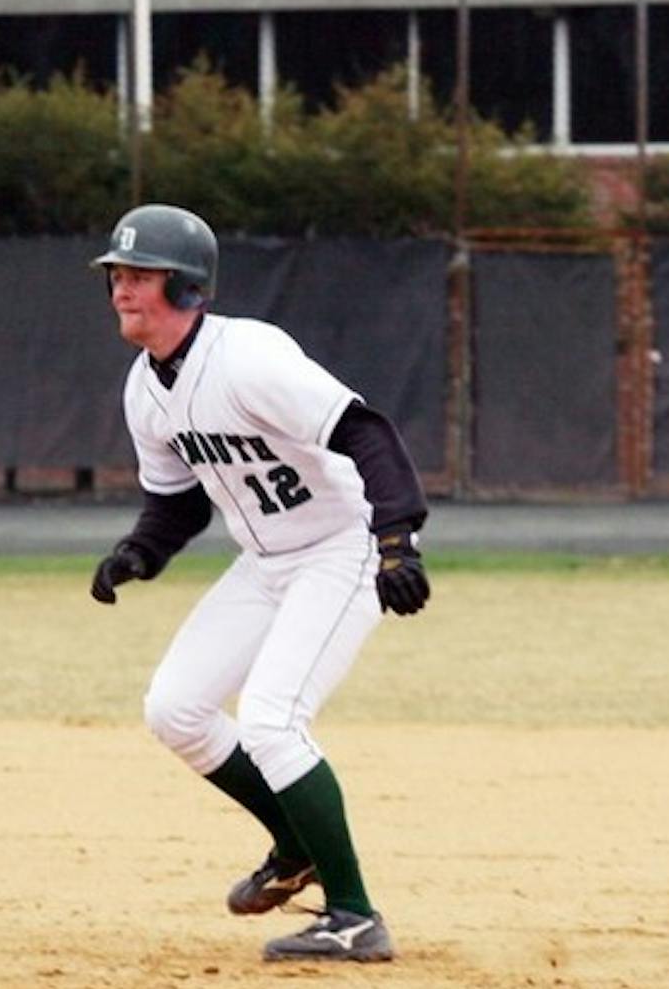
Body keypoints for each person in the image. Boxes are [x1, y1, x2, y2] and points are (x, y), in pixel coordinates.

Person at [88, 203, 431, 963]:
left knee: (274, 716)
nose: (121, 288)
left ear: (186, 289)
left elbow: (364, 431)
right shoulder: (145, 389)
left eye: (140, 275)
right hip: (267, 559)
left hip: (341, 547)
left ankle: (353, 916)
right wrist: (138, 553)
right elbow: (176, 501)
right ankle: (294, 842)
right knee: (175, 708)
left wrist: (396, 540)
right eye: (117, 274)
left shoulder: (248, 357)